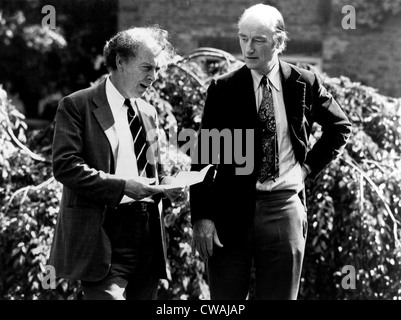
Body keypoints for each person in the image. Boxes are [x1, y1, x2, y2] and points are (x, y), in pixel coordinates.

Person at [190, 4, 352, 300]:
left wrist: (306, 169)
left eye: (258, 40)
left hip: (283, 209)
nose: (248, 48)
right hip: (230, 212)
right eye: (243, 38)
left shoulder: (304, 82)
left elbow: (339, 127)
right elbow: (203, 156)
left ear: (278, 42)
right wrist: (202, 217)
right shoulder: (223, 89)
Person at [49, 26, 184, 300]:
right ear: (120, 61)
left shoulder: (149, 112)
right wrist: (122, 186)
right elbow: (65, 166)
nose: (153, 77)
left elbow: (154, 169)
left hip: (146, 238)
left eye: (157, 70)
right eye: (147, 67)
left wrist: (169, 184)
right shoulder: (77, 105)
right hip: (103, 236)